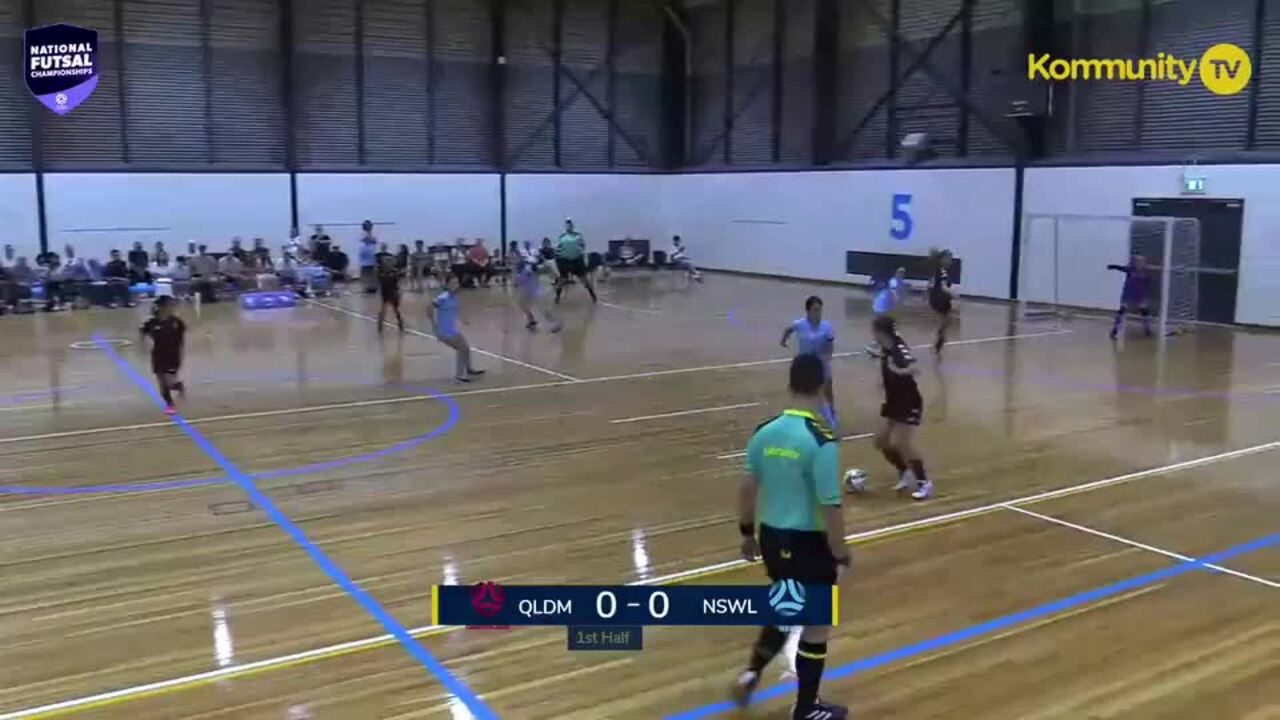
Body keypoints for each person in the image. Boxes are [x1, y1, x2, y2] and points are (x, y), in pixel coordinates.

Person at [732, 353, 849, 720]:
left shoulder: (764, 432)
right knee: (816, 626)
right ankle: (807, 707)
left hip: (771, 538)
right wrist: (840, 553)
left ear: (790, 384)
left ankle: (752, 671)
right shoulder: (822, 441)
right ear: (820, 387)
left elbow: (747, 489)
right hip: (809, 544)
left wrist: (747, 534)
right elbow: (831, 507)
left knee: (786, 605)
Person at [869, 316, 933, 500]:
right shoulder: (886, 348)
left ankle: (924, 483)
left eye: (874, 331)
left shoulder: (899, 349)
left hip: (908, 402)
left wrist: (897, 371)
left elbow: (915, 368)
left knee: (902, 444)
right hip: (893, 401)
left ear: (881, 333)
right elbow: (884, 357)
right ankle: (905, 471)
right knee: (880, 441)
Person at [780, 296, 838, 433]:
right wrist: (783, 340)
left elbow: (830, 345)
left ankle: (831, 417)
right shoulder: (799, 324)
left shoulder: (827, 326)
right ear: (808, 311)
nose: (818, 313)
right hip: (805, 364)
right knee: (803, 392)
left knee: (827, 391)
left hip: (821, 363)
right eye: (815, 310)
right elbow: (788, 330)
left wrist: (828, 357)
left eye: (819, 310)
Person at [428, 274, 485, 383]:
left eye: (456, 283)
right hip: (444, 331)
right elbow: (429, 308)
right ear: (447, 284)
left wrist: (463, 319)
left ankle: (468, 369)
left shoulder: (454, 297)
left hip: (452, 329)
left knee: (466, 348)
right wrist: (434, 326)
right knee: (461, 348)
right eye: (452, 283)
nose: (455, 285)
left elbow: (455, 309)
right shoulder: (443, 297)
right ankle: (459, 375)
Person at [140, 295, 187, 415]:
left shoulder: (176, 322)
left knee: (169, 382)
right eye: (170, 305)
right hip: (157, 355)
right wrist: (143, 344)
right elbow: (143, 333)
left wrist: (180, 352)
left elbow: (181, 338)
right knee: (162, 382)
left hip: (173, 355)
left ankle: (178, 386)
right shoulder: (151, 322)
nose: (172, 308)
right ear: (162, 307)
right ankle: (170, 405)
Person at [1108, 254, 1153, 338]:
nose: (1140, 263)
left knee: (1144, 310)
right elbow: (1121, 268)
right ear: (1134, 262)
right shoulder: (1130, 270)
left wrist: (1144, 293)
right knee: (1122, 310)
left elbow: (1147, 283)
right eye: (1138, 261)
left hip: (1140, 294)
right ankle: (1115, 330)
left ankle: (1147, 329)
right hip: (1128, 293)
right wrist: (1113, 266)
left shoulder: (1146, 272)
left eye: (1142, 261)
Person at [514, 253, 561, 333]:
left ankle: (556, 324)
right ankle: (531, 320)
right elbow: (516, 284)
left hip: (536, 292)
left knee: (543, 310)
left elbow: (544, 268)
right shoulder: (518, 274)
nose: (518, 263)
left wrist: (554, 276)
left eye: (520, 262)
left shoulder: (530, 269)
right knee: (522, 305)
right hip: (526, 293)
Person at [553, 219, 597, 304]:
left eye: (570, 225)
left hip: (576, 260)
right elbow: (558, 248)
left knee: (584, 280)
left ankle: (593, 295)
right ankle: (557, 297)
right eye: (567, 225)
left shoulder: (578, 235)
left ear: (572, 226)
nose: (569, 226)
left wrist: (581, 251)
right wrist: (558, 254)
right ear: (565, 226)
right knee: (562, 279)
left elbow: (583, 245)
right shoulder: (562, 236)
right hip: (565, 260)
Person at [865, 267, 907, 356]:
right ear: (896, 273)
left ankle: (879, 348)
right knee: (885, 328)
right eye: (900, 273)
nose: (901, 275)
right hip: (884, 308)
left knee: (887, 329)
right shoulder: (894, 281)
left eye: (903, 273)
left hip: (888, 308)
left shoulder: (900, 283)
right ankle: (875, 346)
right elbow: (893, 292)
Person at [927, 248, 956, 356]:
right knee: (944, 322)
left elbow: (930, 283)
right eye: (948, 258)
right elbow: (943, 287)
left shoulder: (938, 270)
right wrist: (952, 293)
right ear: (942, 259)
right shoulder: (942, 271)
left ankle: (939, 342)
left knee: (946, 322)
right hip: (940, 299)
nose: (950, 261)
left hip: (938, 299)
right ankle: (938, 343)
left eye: (951, 259)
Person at [376, 250, 405, 334]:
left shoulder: (395, 272)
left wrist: (399, 292)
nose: (389, 264)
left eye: (390, 262)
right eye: (387, 262)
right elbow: (381, 280)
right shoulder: (380, 272)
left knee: (396, 310)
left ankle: (400, 323)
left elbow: (398, 280)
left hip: (394, 293)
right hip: (385, 292)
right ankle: (380, 325)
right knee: (383, 310)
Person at [358, 221, 378, 294]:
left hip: (371, 258)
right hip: (364, 259)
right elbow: (363, 240)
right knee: (365, 275)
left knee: (371, 274)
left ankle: (373, 288)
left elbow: (374, 240)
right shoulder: (362, 234)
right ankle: (366, 288)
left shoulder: (372, 235)